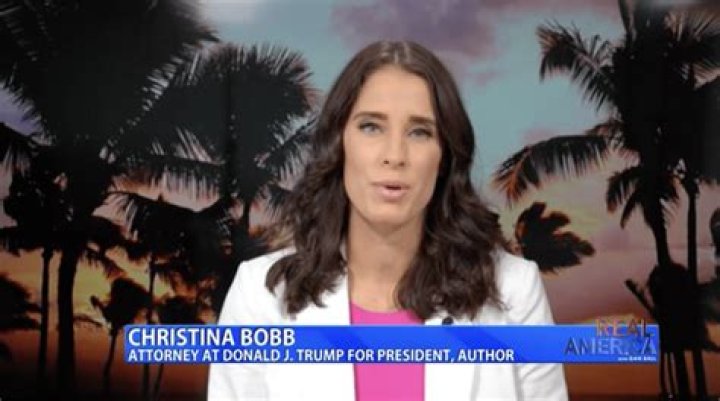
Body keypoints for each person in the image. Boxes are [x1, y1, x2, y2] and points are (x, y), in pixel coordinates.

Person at [207, 40, 568, 401]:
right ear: (339, 144)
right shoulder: (260, 296)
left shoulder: (515, 290)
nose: (395, 155)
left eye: (420, 132)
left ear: (444, 157)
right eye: (371, 127)